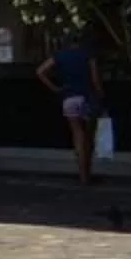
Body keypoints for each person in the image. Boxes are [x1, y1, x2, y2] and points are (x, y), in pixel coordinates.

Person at [36, 33, 103, 185]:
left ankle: (82, 176)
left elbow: (40, 71)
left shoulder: (60, 56)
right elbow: (95, 79)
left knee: (77, 135)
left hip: (68, 98)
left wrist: (55, 88)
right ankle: (88, 172)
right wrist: (100, 94)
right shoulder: (88, 55)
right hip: (87, 97)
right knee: (89, 137)